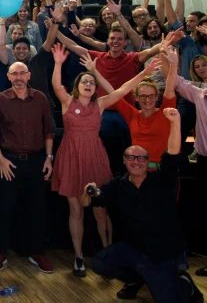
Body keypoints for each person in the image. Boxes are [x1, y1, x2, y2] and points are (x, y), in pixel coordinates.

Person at [51, 44, 163, 277]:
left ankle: (108, 255)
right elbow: (55, 85)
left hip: (94, 157)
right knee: (76, 211)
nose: (89, 85)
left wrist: (144, 72)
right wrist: (59, 63)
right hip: (70, 157)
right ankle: (79, 257)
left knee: (101, 211)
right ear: (77, 86)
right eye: (85, 82)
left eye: (91, 82)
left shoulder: (100, 104)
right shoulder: (67, 103)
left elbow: (123, 89)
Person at [82, 109, 202, 303]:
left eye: (141, 158)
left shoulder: (162, 179)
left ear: (148, 162)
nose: (135, 162)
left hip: (162, 251)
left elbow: (172, 153)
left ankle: (184, 284)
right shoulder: (116, 185)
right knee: (100, 263)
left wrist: (176, 122)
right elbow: (90, 200)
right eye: (131, 157)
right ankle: (135, 278)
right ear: (124, 160)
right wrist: (88, 190)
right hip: (133, 250)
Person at [0, 61, 55, 274]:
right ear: (8, 76)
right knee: (5, 209)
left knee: (38, 208)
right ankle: (1, 252)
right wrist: (0, 159)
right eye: (14, 73)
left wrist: (49, 157)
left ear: (28, 75)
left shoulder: (41, 98)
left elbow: (48, 131)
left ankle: (38, 252)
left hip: (36, 160)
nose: (18, 77)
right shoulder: (0, 99)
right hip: (9, 161)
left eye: (22, 73)